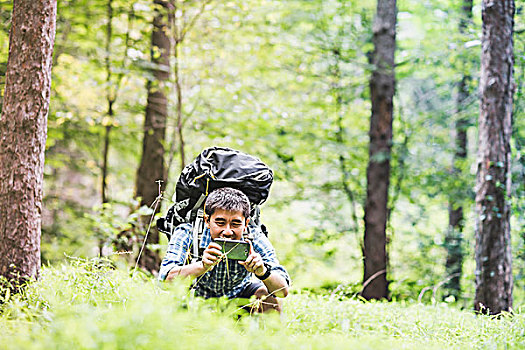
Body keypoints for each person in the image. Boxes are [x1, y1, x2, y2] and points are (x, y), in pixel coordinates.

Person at [159, 187, 290, 313]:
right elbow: (165, 281)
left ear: (246, 223)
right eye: (220, 223)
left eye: (236, 224)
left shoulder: (254, 237)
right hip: (196, 300)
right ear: (207, 220)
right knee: (172, 299)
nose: (227, 232)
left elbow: (282, 291)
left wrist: (263, 272)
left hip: (238, 300)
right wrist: (202, 266)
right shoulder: (187, 233)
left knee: (267, 296)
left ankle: (265, 334)